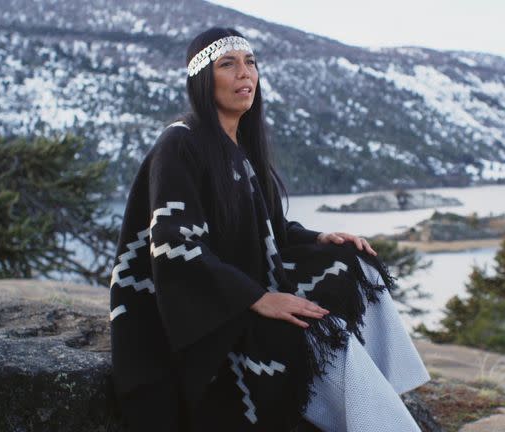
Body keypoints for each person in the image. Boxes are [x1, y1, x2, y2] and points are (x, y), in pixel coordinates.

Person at [109, 27, 430, 431]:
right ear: (202, 81)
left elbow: (269, 229)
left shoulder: (240, 145)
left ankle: (390, 389)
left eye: (251, 63)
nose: (245, 74)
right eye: (228, 64)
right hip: (202, 317)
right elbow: (174, 247)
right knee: (318, 330)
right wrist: (256, 298)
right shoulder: (180, 144)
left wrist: (318, 239)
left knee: (355, 262)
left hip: (243, 285)